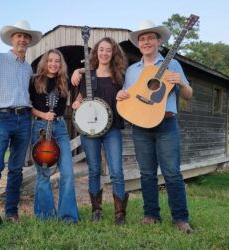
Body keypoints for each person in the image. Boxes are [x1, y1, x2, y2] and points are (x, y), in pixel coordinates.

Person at [116, 20, 194, 234]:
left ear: (159, 41)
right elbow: (127, 97)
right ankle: (151, 215)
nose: (146, 42)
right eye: (142, 39)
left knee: (172, 173)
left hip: (166, 124)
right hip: (141, 126)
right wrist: (120, 95)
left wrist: (182, 83)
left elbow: (188, 96)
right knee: (147, 173)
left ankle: (180, 218)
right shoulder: (133, 70)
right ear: (139, 44)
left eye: (150, 37)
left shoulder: (173, 65)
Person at [0, 20, 42, 232]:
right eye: (18, 36)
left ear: (29, 42)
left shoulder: (28, 67)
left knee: (16, 169)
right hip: (1, 118)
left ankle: (11, 212)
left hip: (24, 119)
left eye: (26, 37)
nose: (22, 40)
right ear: (12, 39)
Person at [71, 37, 128, 225]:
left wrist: (124, 95)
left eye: (108, 50)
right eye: (101, 50)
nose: (104, 53)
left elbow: (128, 98)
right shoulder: (88, 75)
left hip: (112, 129)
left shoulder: (120, 76)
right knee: (94, 169)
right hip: (91, 130)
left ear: (113, 54)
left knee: (117, 171)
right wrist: (78, 103)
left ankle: (120, 214)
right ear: (96, 53)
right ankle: (96, 211)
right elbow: (81, 98)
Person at [29, 49, 79, 223]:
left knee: (67, 172)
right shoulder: (35, 80)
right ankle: (45, 216)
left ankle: (67, 216)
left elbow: (88, 81)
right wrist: (43, 115)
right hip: (41, 129)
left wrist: (79, 72)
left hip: (60, 127)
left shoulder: (64, 80)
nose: (53, 64)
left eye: (57, 61)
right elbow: (27, 105)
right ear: (45, 62)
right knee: (44, 174)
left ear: (61, 63)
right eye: (50, 60)